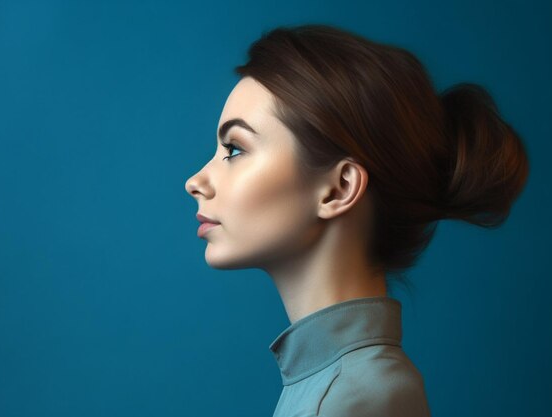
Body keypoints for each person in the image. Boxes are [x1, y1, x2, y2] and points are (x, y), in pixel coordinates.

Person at [184, 24, 529, 417]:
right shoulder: (341, 387)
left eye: (234, 149)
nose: (195, 182)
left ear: (338, 189)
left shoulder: (355, 400)